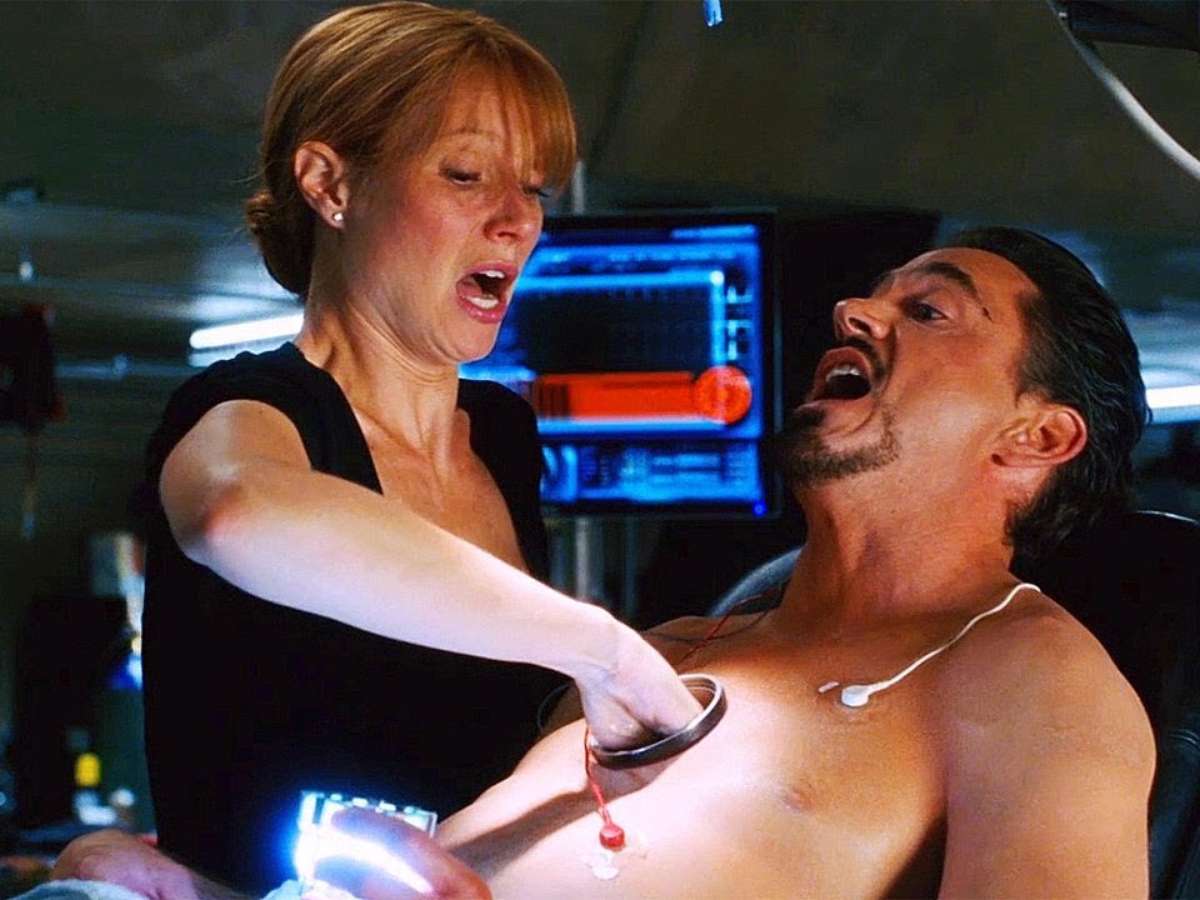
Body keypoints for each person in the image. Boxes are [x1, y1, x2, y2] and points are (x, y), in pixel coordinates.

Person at [57, 227, 1155, 897]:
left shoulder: (1032, 681)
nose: (854, 309)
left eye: (928, 309)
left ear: (1036, 437)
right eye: (877, 292)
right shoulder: (669, 653)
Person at [136, 2, 698, 892]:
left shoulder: (503, 435)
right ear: (330, 185)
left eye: (535, 189)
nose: (517, 221)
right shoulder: (257, 408)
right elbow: (235, 512)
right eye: (467, 175)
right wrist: (601, 648)